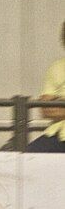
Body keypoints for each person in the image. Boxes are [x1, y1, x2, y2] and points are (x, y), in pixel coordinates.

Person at [26, 20, 65, 152]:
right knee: (26, 158)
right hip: (59, 136)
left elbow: (53, 107)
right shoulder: (57, 67)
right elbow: (46, 109)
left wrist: (60, 103)